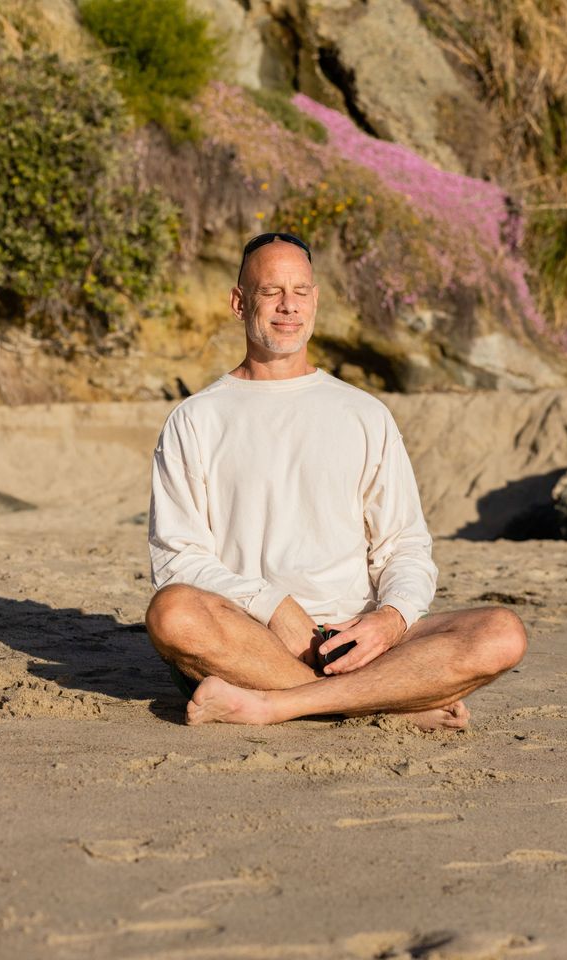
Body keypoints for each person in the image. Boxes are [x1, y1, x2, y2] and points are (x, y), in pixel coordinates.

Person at [146, 232, 527, 728]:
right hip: (251, 639)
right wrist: (272, 606)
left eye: (301, 291)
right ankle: (385, 703)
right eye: (271, 292)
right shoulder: (195, 419)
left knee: (502, 632)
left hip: (358, 639)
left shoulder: (363, 413)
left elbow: (404, 545)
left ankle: (281, 705)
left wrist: (389, 622)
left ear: (316, 300)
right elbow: (177, 559)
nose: (288, 307)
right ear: (240, 303)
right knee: (172, 613)